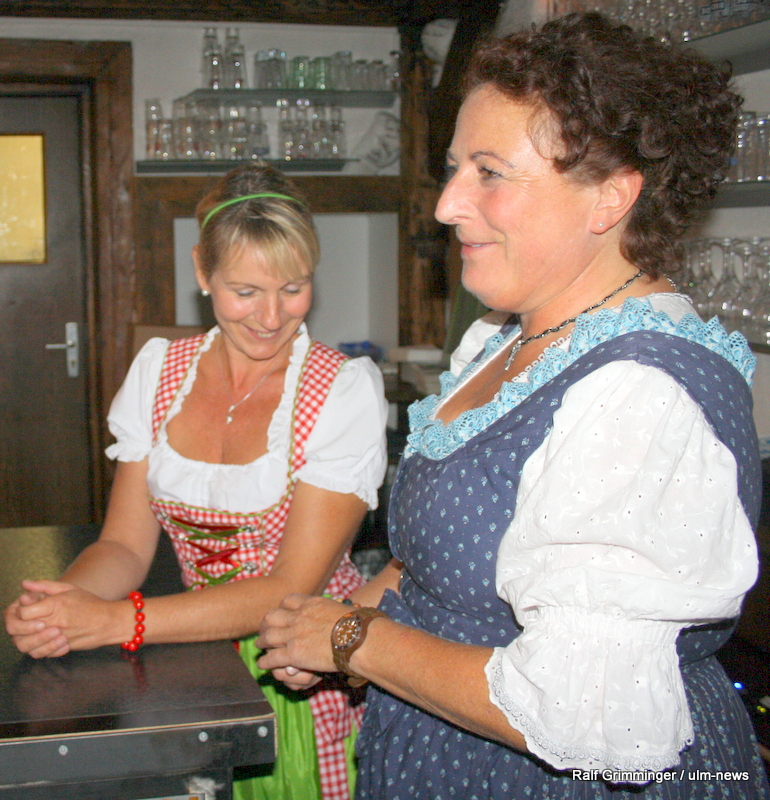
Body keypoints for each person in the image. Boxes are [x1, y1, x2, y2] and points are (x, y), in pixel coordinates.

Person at [256, 13, 770, 799]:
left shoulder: (639, 398)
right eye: (455, 169)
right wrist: (336, 622)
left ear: (609, 198)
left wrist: (356, 640)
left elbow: (588, 717)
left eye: (489, 172)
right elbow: (443, 557)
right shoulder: (507, 341)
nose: (447, 205)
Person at [4, 163, 389, 800]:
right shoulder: (159, 372)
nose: (271, 315)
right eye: (246, 291)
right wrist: (63, 608)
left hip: (301, 670)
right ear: (202, 272)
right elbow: (124, 546)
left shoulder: (341, 391)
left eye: (293, 288)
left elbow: (290, 587)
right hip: (188, 662)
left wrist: (115, 623)